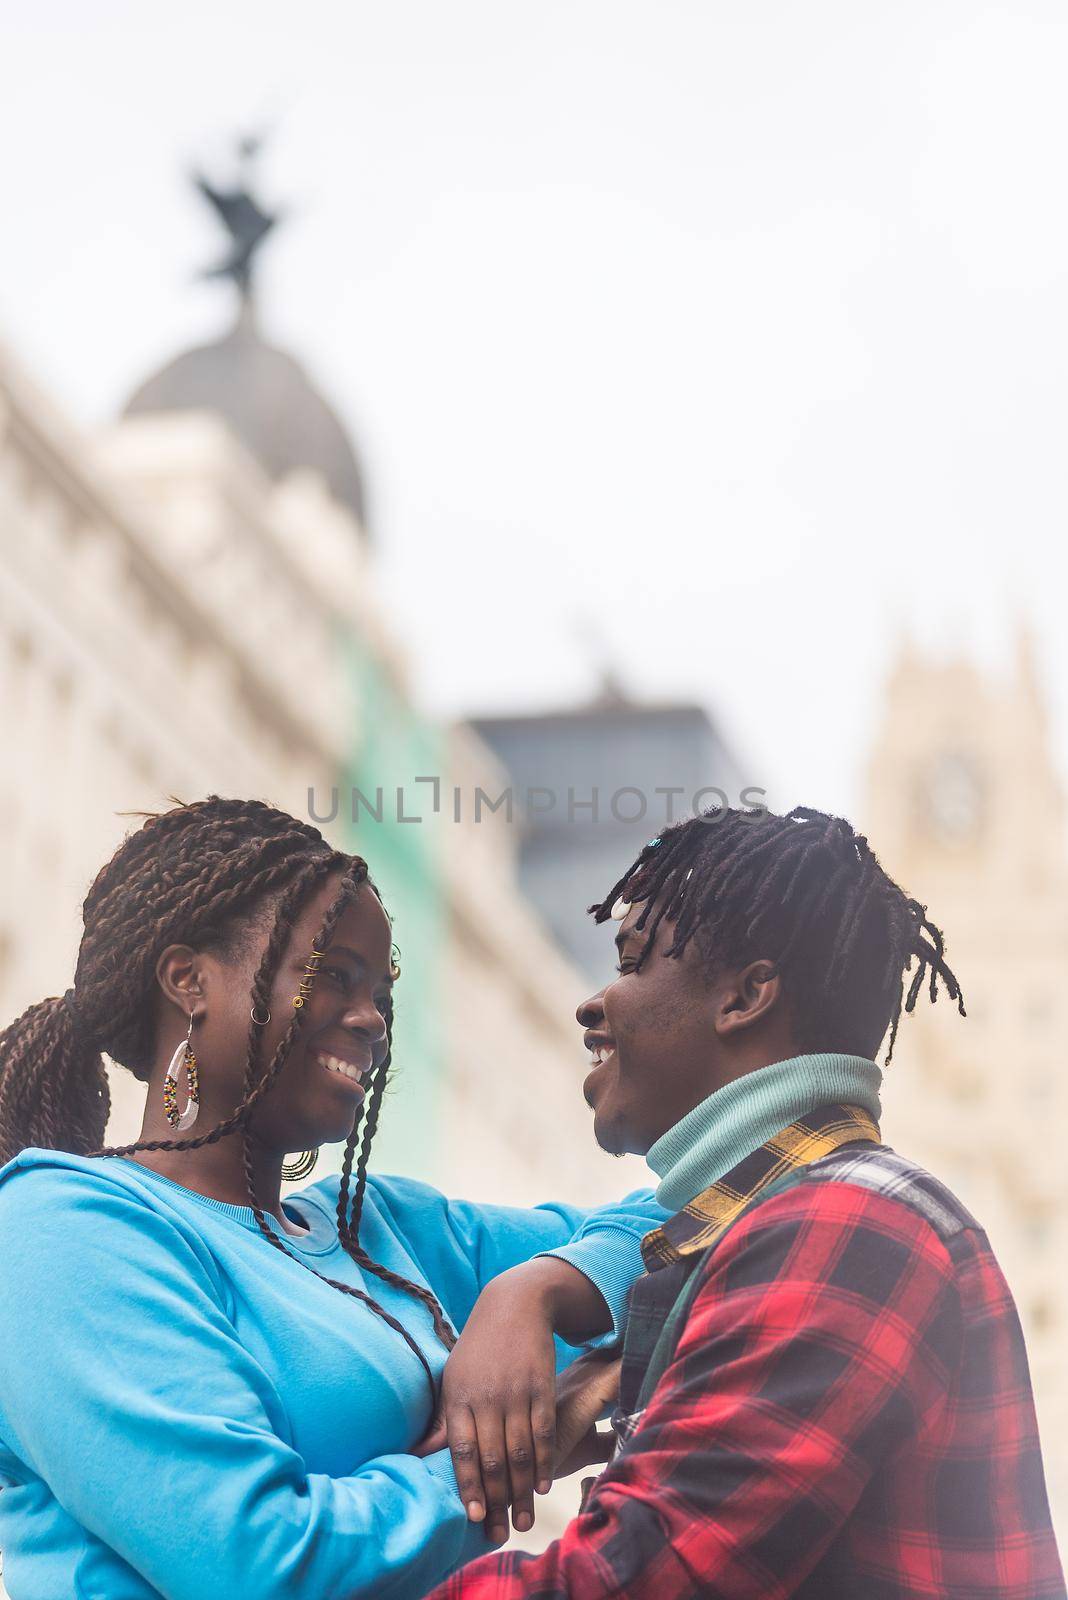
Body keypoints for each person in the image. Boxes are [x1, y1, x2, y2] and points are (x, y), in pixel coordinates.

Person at [0, 797, 665, 1600]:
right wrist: (512, 1451)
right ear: (189, 981)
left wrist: (539, 1291)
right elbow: (256, 1565)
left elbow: (690, 1220)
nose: (371, 1019)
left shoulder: (381, 1230)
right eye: (330, 976)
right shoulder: (64, 1232)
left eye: (380, 993)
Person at [427, 805, 1066, 1600]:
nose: (594, 1005)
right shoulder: (793, 1221)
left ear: (746, 996)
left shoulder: (848, 1222)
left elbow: (624, 1581)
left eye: (630, 964)